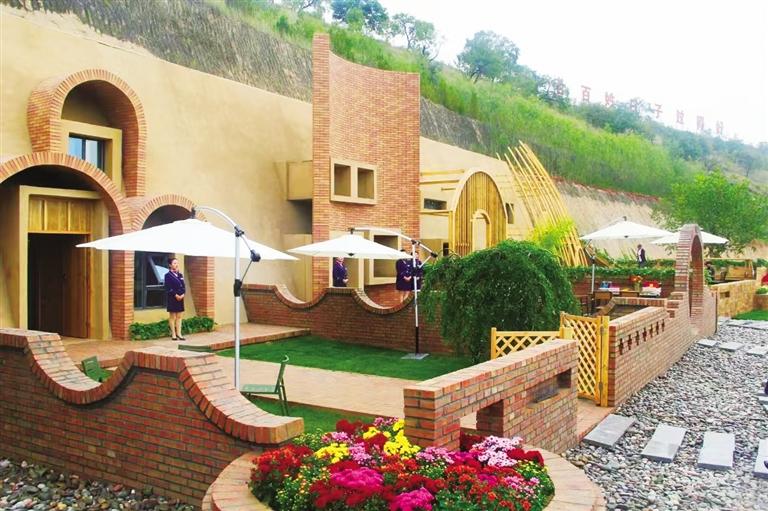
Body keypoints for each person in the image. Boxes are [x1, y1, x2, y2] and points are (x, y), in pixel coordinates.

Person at [164, 257, 185, 340]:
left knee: (179, 316)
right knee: (173, 316)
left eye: (177, 263)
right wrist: (176, 295)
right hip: (172, 298)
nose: (176, 265)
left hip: (180, 298)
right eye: (174, 263)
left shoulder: (180, 275)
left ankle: (179, 333)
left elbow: (183, 286)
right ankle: (173, 334)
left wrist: (183, 294)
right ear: (170, 265)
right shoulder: (167, 275)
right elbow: (168, 288)